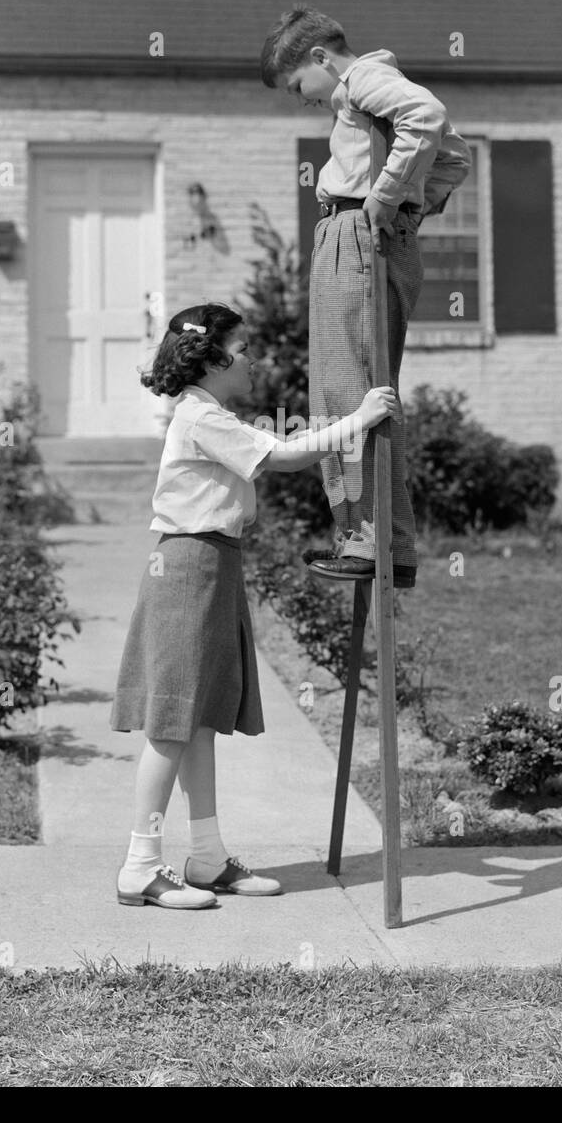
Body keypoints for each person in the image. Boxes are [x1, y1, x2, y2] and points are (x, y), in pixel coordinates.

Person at [110, 301, 398, 909]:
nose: (253, 360)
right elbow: (282, 458)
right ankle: (140, 864)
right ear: (212, 359)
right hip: (188, 567)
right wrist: (361, 419)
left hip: (212, 565)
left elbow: (273, 447)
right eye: (243, 350)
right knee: (170, 724)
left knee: (201, 720)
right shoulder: (199, 416)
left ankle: (208, 858)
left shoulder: (211, 413)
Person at [260, 5, 472, 587]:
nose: (303, 99)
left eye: (299, 84)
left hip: (353, 235)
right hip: (370, 236)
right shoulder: (369, 86)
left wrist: (385, 196)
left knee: (341, 391)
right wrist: (408, 207)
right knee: (369, 392)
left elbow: (426, 117)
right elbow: (456, 158)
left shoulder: (362, 82)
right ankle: (391, 544)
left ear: (321, 58)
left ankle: (363, 540)